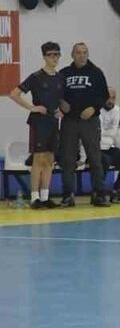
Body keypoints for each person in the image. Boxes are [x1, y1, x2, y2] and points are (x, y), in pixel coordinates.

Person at [8, 41, 63, 208]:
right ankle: (34, 198)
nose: (54, 58)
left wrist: (61, 111)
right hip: (39, 123)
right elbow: (14, 94)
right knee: (38, 159)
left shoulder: (60, 77)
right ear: (44, 57)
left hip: (53, 122)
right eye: (50, 55)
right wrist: (33, 108)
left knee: (50, 159)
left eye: (56, 54)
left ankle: (45, 197)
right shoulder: (36, 77)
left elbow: (61, 99)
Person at [57, 42, 110, 207]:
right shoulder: (64, 73)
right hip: (70, 121)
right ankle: (68, 195)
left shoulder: (96, 73)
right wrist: (61, 102)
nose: (82, 55)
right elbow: (55, 93)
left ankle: (98, 194)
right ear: (72, 55)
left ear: (88, 54)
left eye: (84, 52)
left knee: (95, 158)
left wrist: (94, 108)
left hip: (90, 122)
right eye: (78, 52)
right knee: (68, 159)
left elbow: (104, 96)